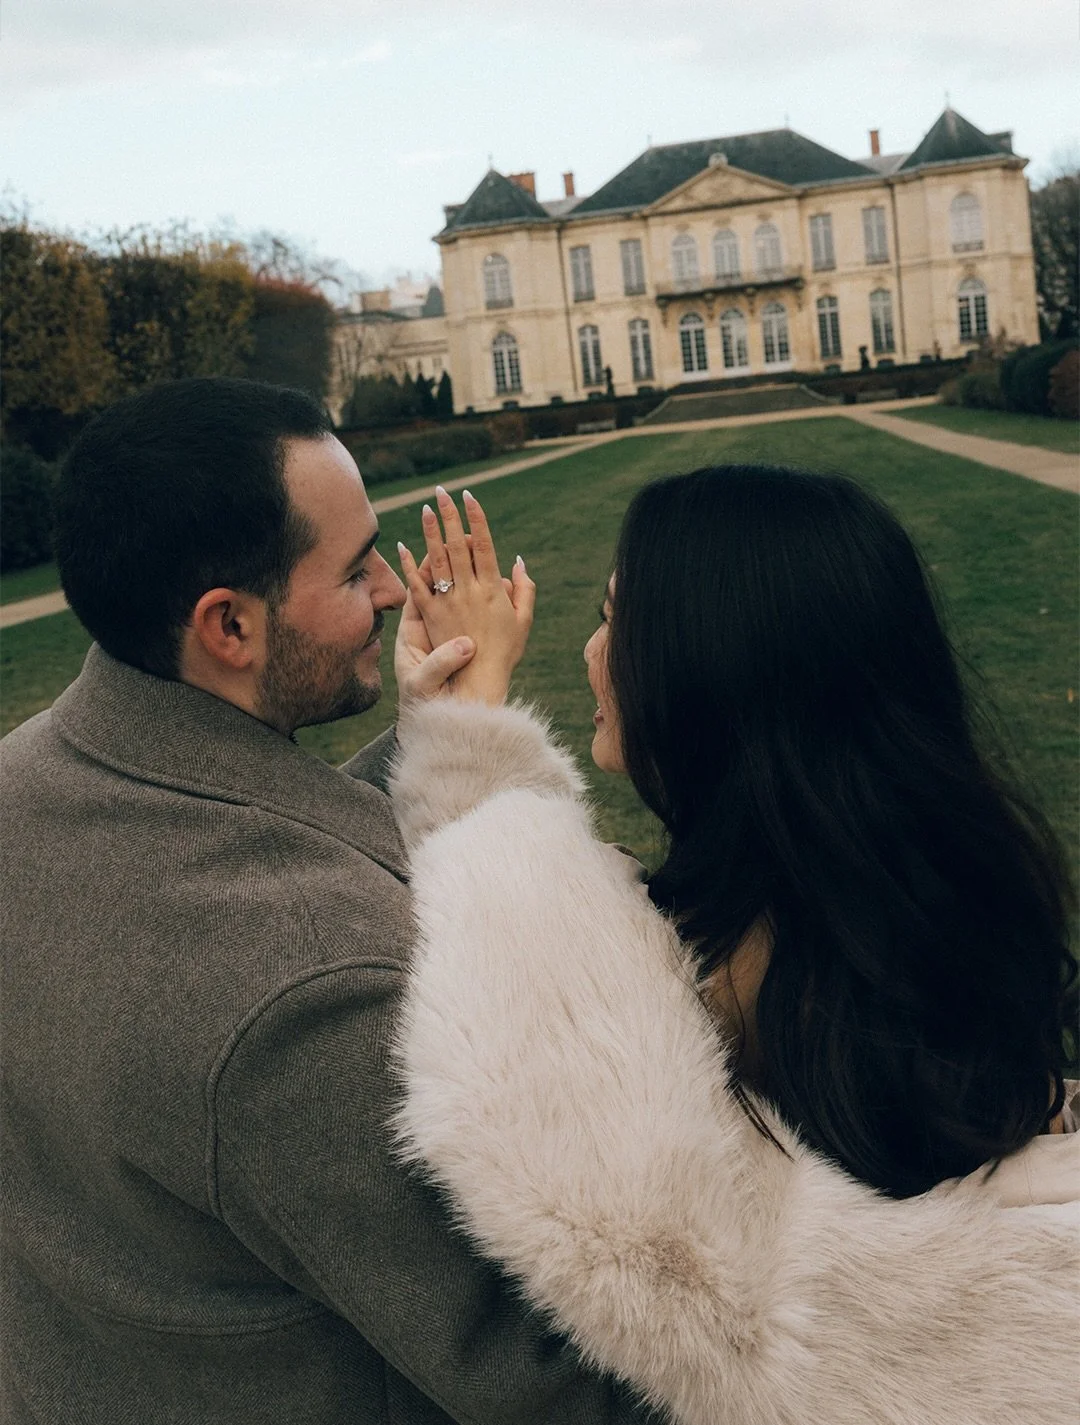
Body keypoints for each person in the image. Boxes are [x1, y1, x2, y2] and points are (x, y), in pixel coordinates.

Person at [0, 377, 661, 1425]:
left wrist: (440, 728)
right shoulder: (305, 998)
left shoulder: (25, 781)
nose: (395, 596)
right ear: (230, 627)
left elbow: (245, 820)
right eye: (356, 573)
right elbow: (561, 1374)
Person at [387, 470, 1079, 1425]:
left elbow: (539, 1022)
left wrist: (465, 740)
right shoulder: (948, 886)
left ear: (704, 669)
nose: (591, 652)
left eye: (613, 620)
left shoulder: (717, 980)